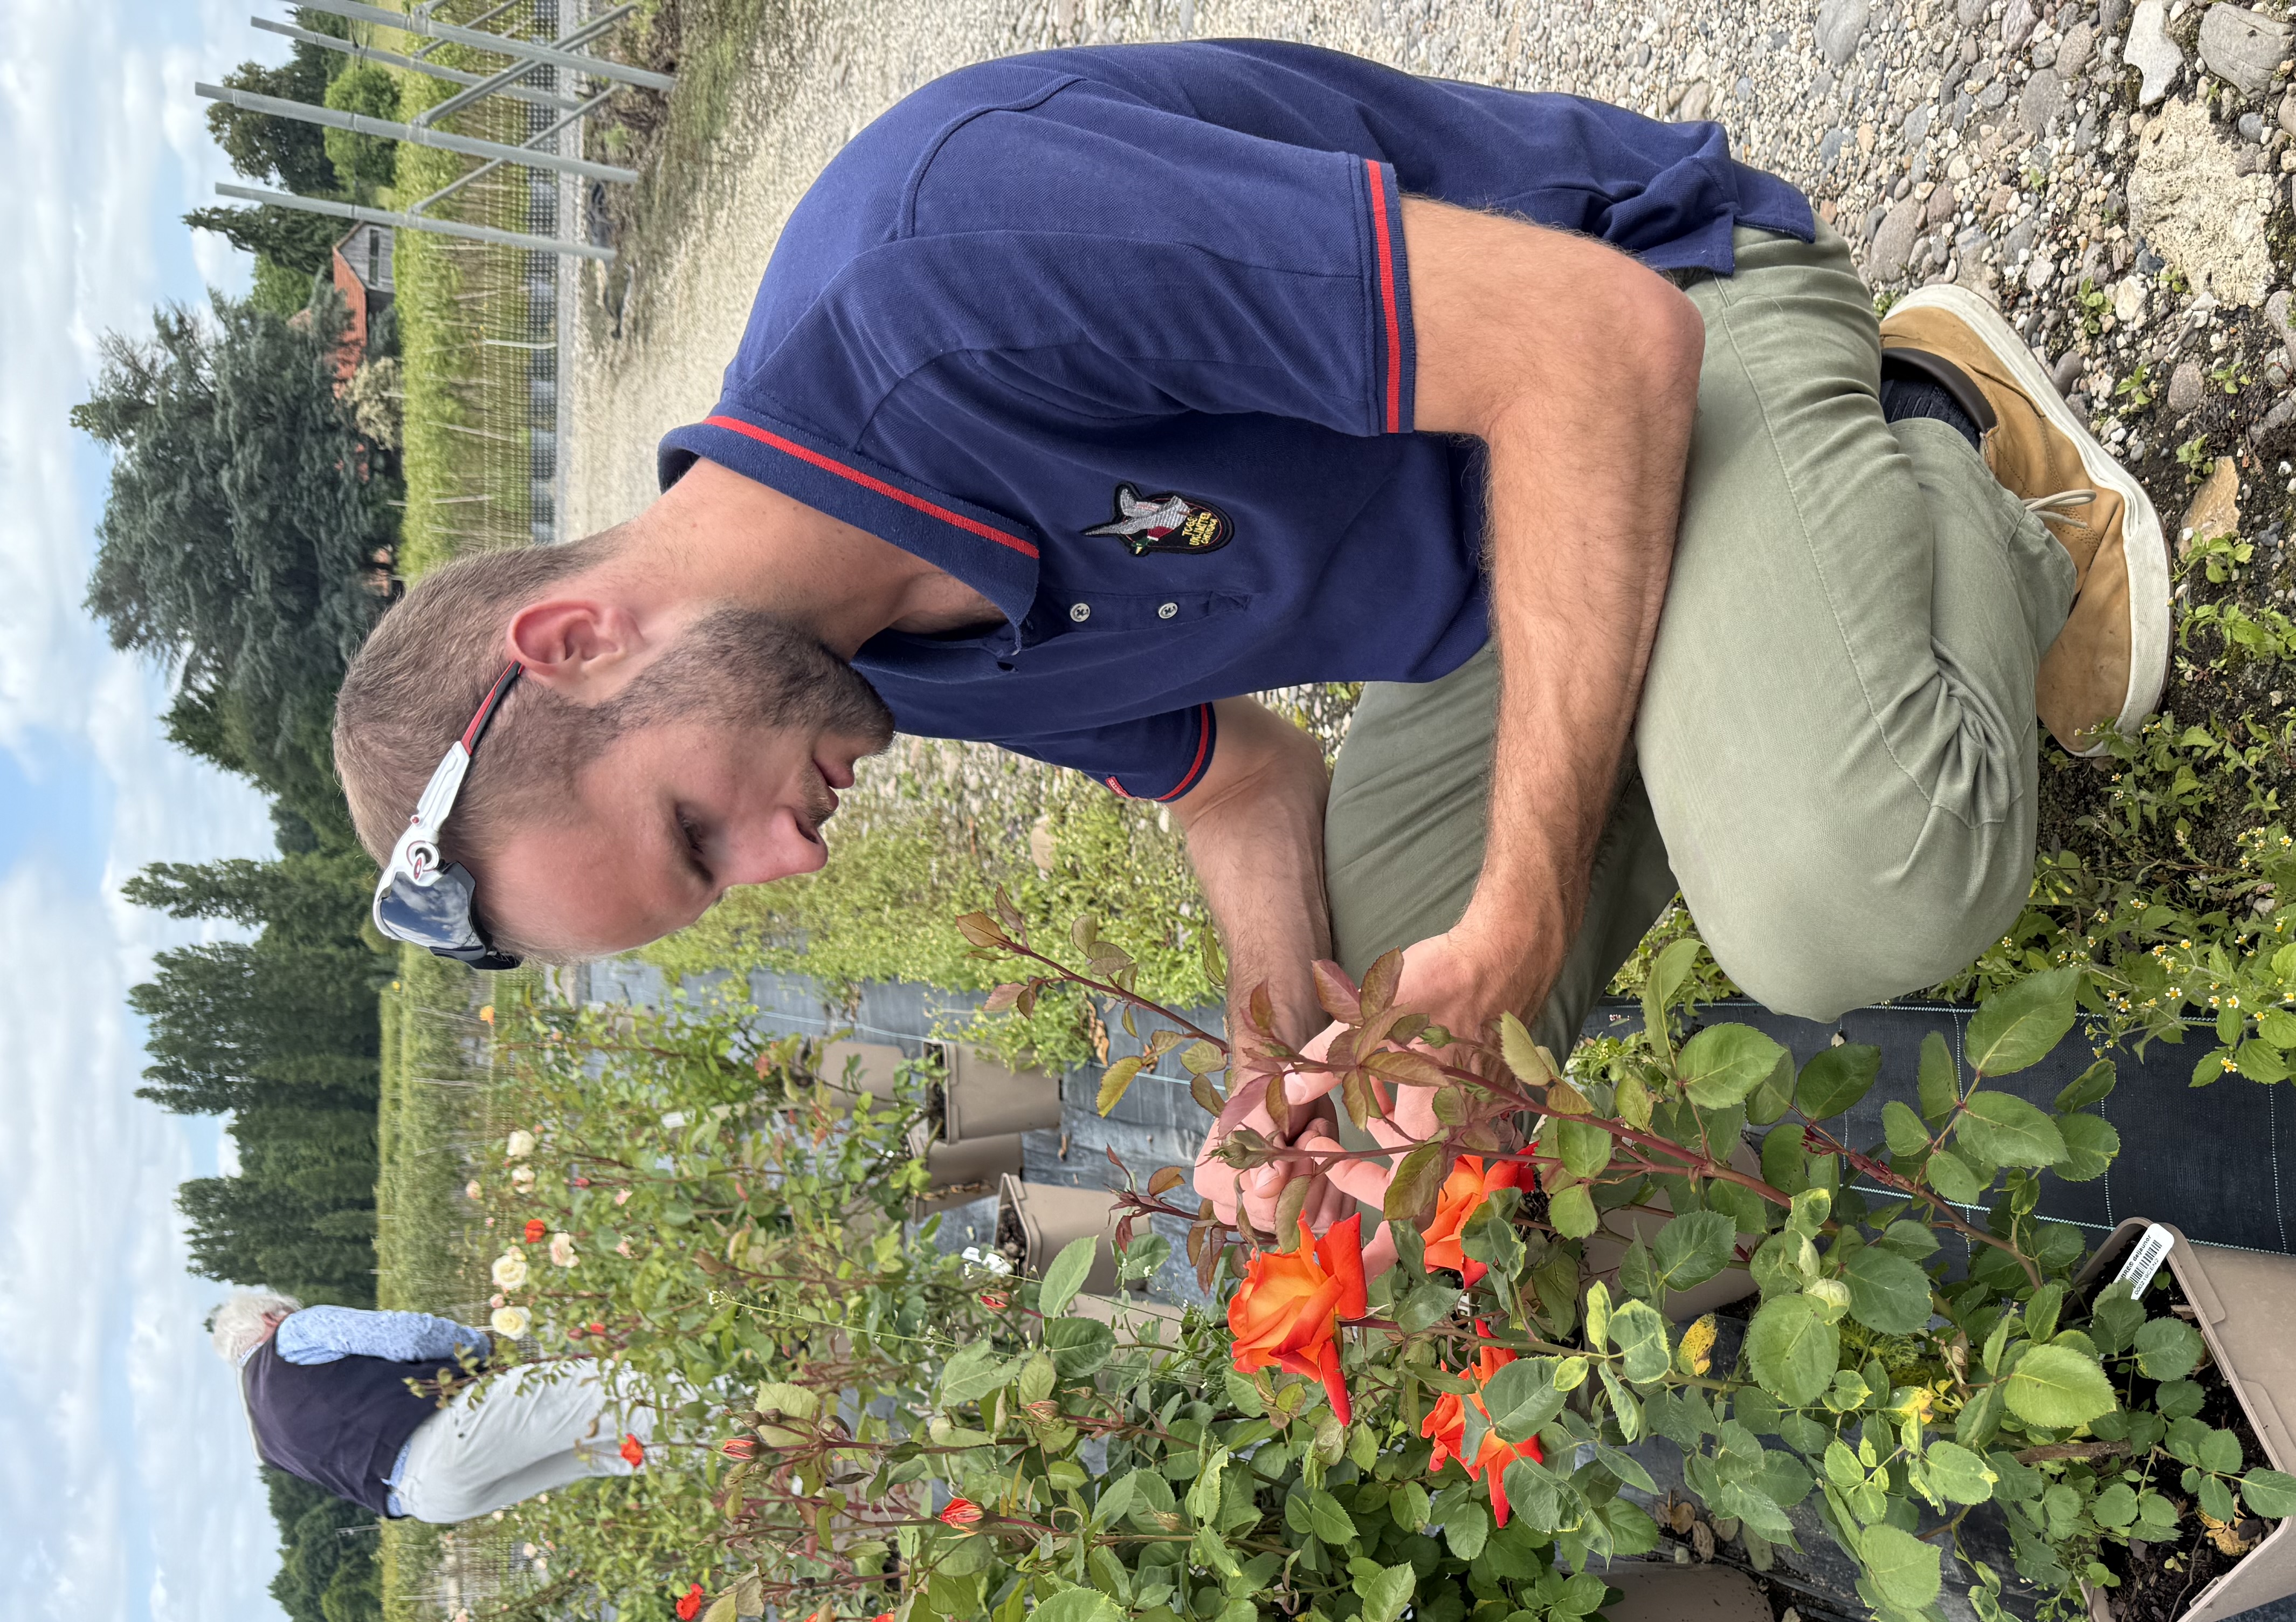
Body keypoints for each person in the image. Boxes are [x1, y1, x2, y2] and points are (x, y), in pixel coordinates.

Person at [326, 39, 2169, 1239]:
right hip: (1511, 584)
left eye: (695, 831)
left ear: (576, 638)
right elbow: (1237, 779)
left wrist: (1525, 897)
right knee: (1382, 1111)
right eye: (723, 885)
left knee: (1850, 898)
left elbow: (1593, 347)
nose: (787, 861)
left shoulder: (942, 274)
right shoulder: (857, 663)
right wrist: (1274, 1059)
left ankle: (1944, 439)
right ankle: (1754, 661)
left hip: (1665, 328)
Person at [211, 1292, 654, 1524]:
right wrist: (479, 1346)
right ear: (270, 1318)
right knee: (612, 1390)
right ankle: (700, 1394)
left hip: (428, 1502)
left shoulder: (267, 1444)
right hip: (446, 1438)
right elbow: (409, 1337)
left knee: (607, 1452)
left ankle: (699, 1449)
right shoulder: (294, 1333)